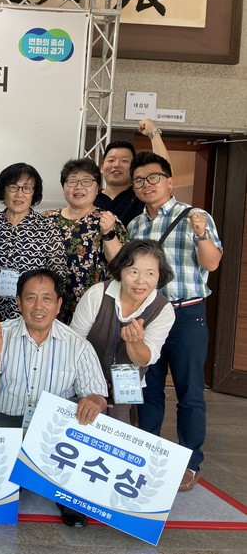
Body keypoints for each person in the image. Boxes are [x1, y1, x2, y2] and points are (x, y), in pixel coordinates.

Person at [0, 268, 108, 528]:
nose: (38, 307)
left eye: (47, 298)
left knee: (80, 447)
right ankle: (16, 482)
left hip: (53, 430)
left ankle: (68, 500)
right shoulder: (0, 334)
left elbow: (98, 395)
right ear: (18, 302)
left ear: (58, 304)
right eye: (30, 298)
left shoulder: (78, 345)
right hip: (7, 422)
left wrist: (94, 401)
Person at [128, 151, 222, 491]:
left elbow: (211, 263)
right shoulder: (135, 226)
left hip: (186, 314)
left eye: (153, 177)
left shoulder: (195, 216)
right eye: (139, 180)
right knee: (148, 390)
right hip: (149, 315)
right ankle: (148, 454)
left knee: (190, 391)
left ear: (169, 181)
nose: (146, 184)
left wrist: (201, 234)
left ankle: (190, 461)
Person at [70, 239, 176, 424]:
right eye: (133, 271)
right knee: (82, 420)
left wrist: (136, 342)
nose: (140, 281)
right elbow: (73, 345)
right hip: (84, 381)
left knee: (117, 425)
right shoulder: (97, 295)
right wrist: (94, 386)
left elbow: (145, 359)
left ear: (159, 276)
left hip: (126, 385)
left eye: (150, 273)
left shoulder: (163, 310)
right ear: (120, 270)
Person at [46, 158, 128, 324]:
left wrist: (108, 232)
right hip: (51, 303)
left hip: (92, 305)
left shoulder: (108, 219)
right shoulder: (47, 219)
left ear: (97, 188)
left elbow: (121, 264)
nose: (78, 187)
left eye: (86, 181)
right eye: (72, 181)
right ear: (63, 187)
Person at [0, 163, 66, 322]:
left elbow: (57, 274)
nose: (19, 194)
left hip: (32, 311)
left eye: (27, 188)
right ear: (3, 190)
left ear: (34, 192)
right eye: (13, 187)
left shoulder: (47, 226)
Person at [95, 118, 170, 226]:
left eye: (124, 161)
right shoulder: (90, 197)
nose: (116, 165)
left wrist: (153, 133)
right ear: (102, 168)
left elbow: (163, 170)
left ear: (133, 169)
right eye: (111, 160)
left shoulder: (141, 194)